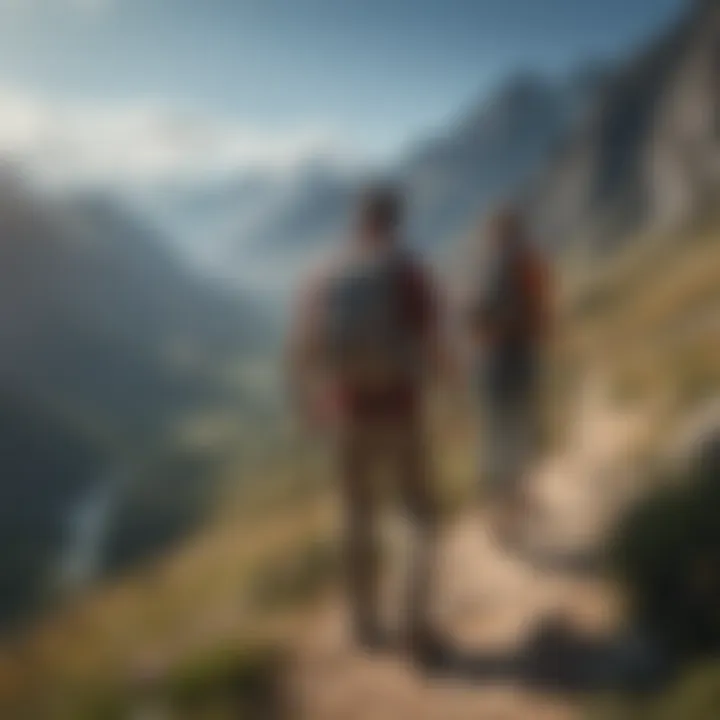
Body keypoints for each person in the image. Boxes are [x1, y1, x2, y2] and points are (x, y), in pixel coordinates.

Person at [288, 185, 445, 665]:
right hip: (401, 412)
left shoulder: (329, 272)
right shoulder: (409, 272)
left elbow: (306, 346)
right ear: (397, 223)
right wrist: (443, 392)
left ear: (359, 223)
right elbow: (433, 343)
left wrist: (312, 405)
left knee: (356, 515)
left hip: (348, 414)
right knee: (417, 513)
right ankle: (413, 625)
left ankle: (363, 622)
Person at [466, 206, 551, 547]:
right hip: (521, 360)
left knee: (495, 436)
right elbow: (542, 315)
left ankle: (499, 513)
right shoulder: (529, 265)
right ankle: (513, 509)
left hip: (490, 364)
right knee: (518, 433)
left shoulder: (484, 269)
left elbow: (472, 317)